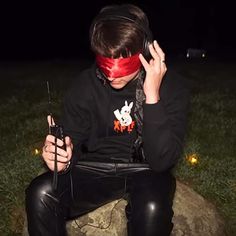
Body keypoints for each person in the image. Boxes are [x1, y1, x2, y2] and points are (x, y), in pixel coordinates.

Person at [25, 3, 190, 236]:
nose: (114, 74)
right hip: (94, 169)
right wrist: (62, 158)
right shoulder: (84, 86)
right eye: (106, 60)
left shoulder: (173, 87)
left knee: (152, 206)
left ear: (145, 50)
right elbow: (72, 143)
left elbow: (162, 161)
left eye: (124, 61)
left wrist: (152, 96)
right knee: (40, 192)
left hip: (146, 170)